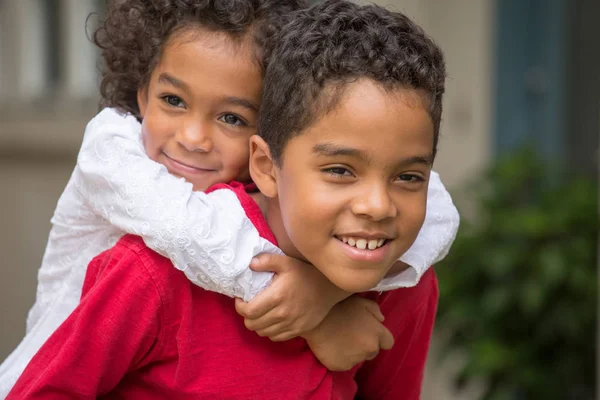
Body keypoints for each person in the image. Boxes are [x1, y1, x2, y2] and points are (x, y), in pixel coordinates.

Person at [8, 0, 449, 398]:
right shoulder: (121, 174)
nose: (194, 138)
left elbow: (436, 216)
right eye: (173, 100)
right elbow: (183, 232)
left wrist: (329, 289)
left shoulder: (400, 279)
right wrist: (311, 306)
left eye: (232, 117)